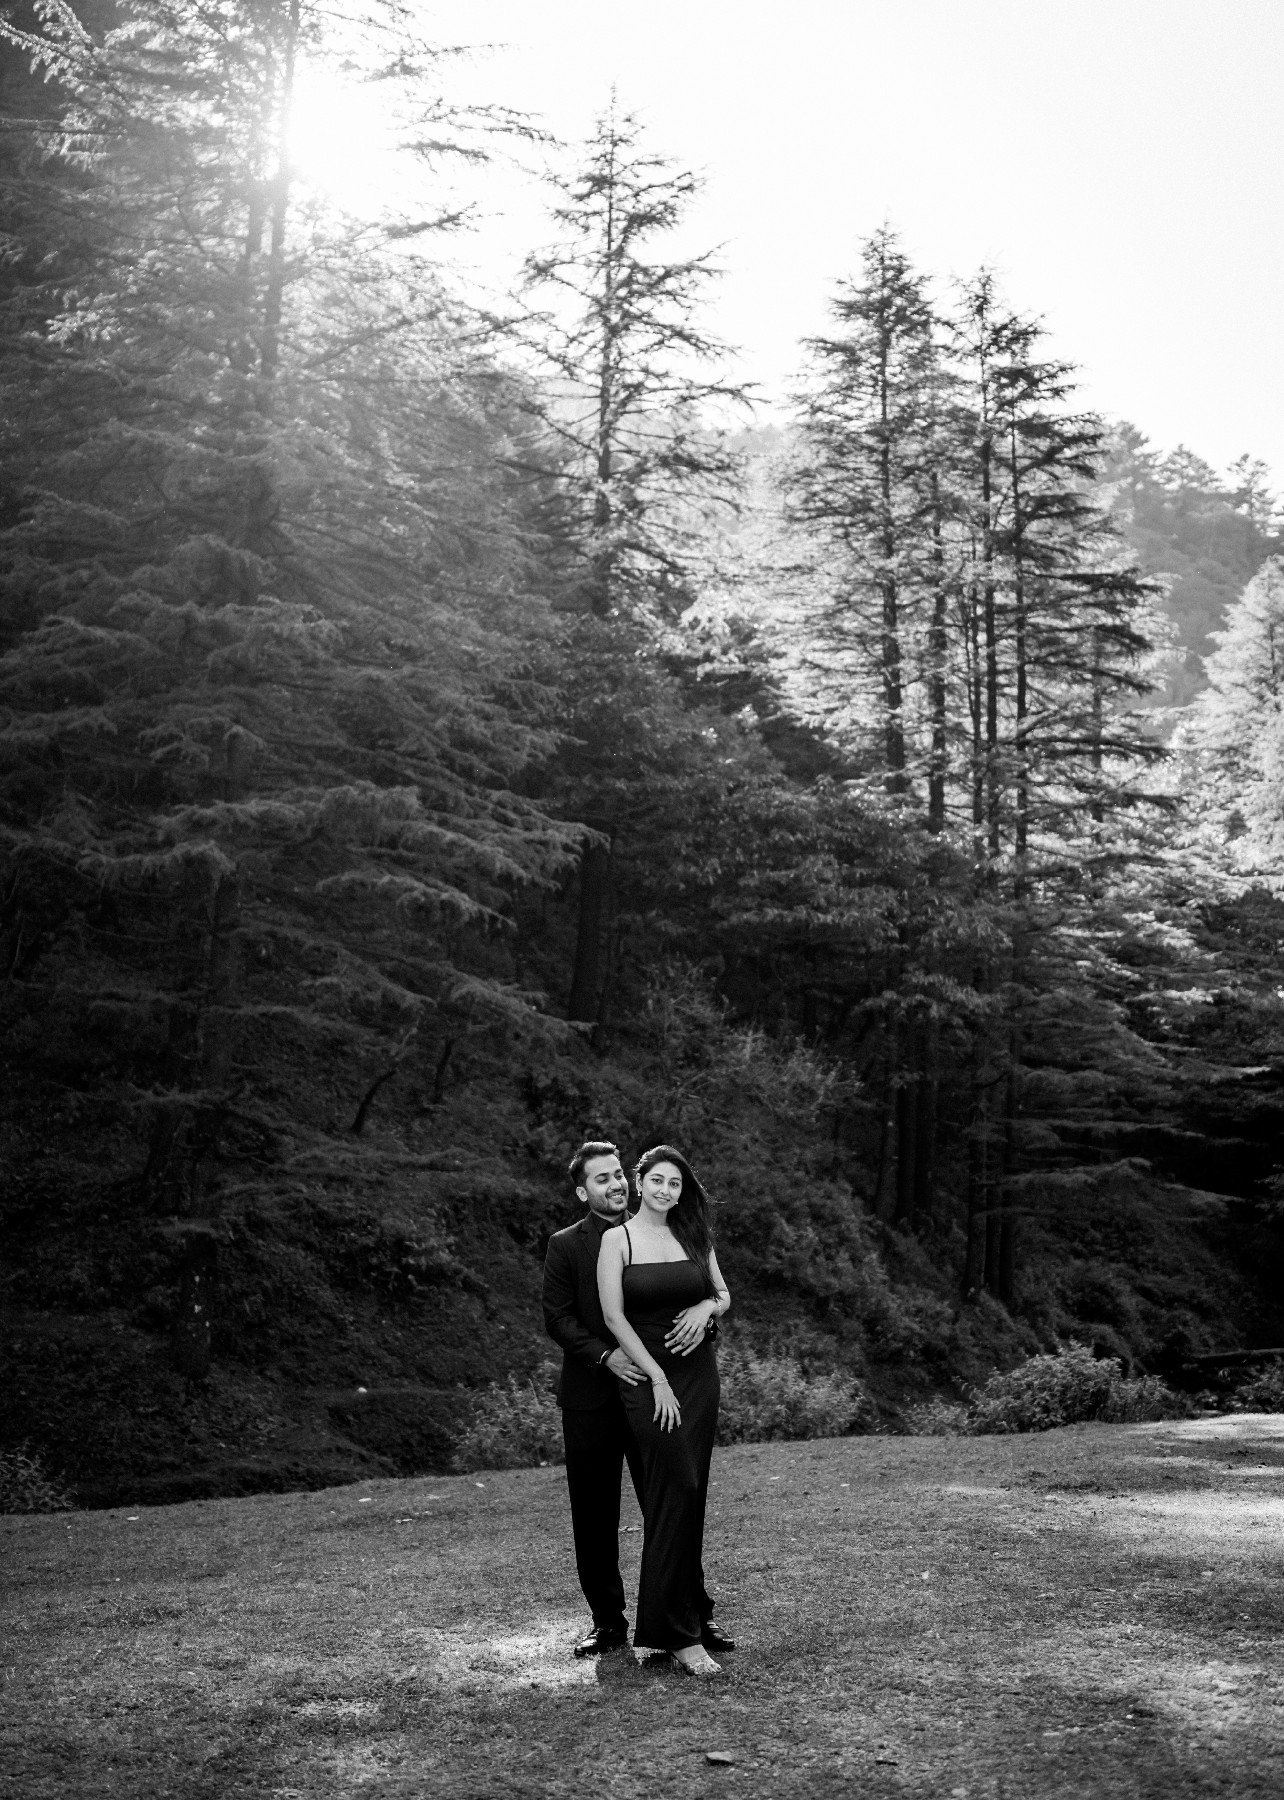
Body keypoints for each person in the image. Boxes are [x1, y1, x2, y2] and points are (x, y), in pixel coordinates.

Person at [596, 1143, 733, 1677]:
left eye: (675, 1184)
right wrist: (655, 1377)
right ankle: (679, 1635)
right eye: (657, 1180)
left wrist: (705, 1307)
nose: (665, 1191)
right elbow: (613, 1317)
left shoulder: (693, 1234)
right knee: (672, 1487)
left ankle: (677, 1624)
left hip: (699, 1378)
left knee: (688, 1491)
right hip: (649, 1379)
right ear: (640, 1182)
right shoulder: (618, 1239)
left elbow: (722, 1294)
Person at [542, 1140, 647, 1657]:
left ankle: (687, 1613)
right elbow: (557, 1319)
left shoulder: (655, 1232)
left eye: (619, 1173)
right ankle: (607, 1622)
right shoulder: (565, 1246)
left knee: (670, 1504)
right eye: (602, 1178)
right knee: (594, 1513)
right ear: (584, 1192)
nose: (616, 1183)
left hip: (654, 1393)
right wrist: (607, 1358)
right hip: (590, 1397)